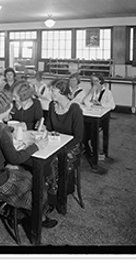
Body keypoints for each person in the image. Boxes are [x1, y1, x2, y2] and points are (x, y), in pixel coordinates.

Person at [0, 90, 57, 228]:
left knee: (20, 171)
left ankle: (17, 212)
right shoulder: (2, 129)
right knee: (37, 180)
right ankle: (38, 218)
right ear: (5, 110)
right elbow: (15, 158)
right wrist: (36, 146)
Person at [46, 78, 84, 206]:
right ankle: (47, 195)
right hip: (56, 143)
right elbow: (49, 128)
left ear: (62, 93)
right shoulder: (52, 106)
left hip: (72, 146)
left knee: (54, 162)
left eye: (53, 92)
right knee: (45, 161)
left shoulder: (74, 109)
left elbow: (78, 137)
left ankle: (56, 197)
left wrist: (61, 147)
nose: (51, 94)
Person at [81, 73, 116, 164]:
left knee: (98, 134)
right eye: (92, 81)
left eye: (96, 81)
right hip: (92, 115)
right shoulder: (92, 91)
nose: (94, 83)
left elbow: (112, 106)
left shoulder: (107, 92)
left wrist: (100, 104)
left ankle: (100, 152)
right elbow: (85, 101)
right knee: (84, 130)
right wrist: (92, 93)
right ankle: (88, 149)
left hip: (102, 117)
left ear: (100, 81)